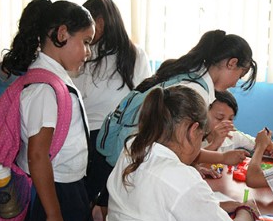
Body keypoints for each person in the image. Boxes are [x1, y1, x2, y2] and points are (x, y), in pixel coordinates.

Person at [101, 85, 257, 221]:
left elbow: (158, 205)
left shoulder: (133, 148)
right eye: (202, 137)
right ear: (193, 130)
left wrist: (218, 206)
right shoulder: (179, 177)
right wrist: (247, 210)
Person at [1, 0, 97, 221]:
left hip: (67, 186)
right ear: (63, 34)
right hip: (55, 192)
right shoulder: (44, 89)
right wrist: (53, 215)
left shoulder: (54, 79)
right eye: (86, 41)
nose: (88, 52)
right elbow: (38, 154)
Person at [102, 29, 258, 170]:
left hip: (133, 154)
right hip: (137, 161)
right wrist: (221, 158)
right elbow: (179, 148)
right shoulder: (195, 91)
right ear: (232, 63)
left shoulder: (191, 76)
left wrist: (195, 168)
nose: (236, 83)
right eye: (240, 75)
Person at [72, 0, 152, 221]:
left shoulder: (95, 54)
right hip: (116, 139)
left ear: (102, 22)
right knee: (110, 200)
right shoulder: (132, 53)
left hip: (102, 138)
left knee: (100, 199)